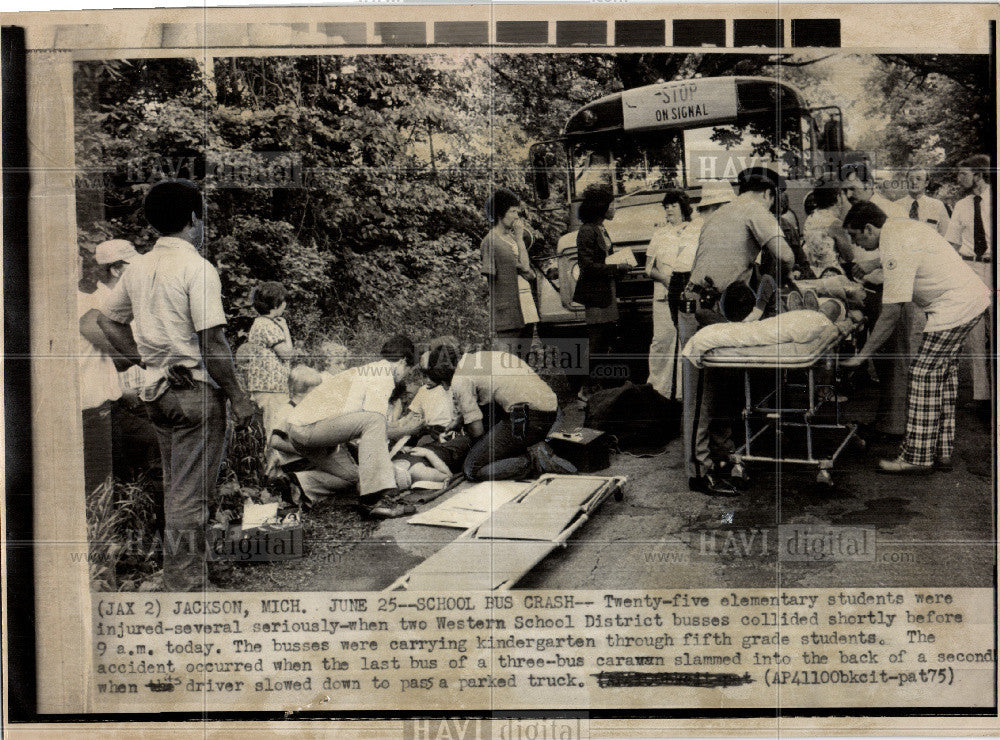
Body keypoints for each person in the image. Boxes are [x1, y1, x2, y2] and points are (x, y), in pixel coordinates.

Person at [98, 179, 256, 591]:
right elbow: (213, 340)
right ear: (192, 219)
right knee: (192, 496)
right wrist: (238, 397)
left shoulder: (140, 268)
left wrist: (144, 361)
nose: (203, 222)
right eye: (201, 215)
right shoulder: (196, 268)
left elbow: (107, 320)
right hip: (194, 394)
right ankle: (185, 588)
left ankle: (185, 576)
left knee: (178, 491)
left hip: (158, 392)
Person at [842, 201, 990, 473]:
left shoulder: (894, 243)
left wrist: (863, 356)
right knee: (942, 376)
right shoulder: (899, 226)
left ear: (869, 228)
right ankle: (941, 452)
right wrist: (874, 261)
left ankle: (917, 457)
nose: (857, 244)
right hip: (972, 300)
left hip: (953, 309)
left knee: (922, 376)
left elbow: (891, 312)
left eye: (855, 236)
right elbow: (911, 251)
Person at [678, 166, 795, 496]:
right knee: (701, 391)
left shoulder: (721, 212)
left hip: (702, 301)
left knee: (721, 383)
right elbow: (785, 256)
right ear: (769, 194)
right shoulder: (757, 210)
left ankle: (722, 454)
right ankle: (698, 472)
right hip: (705, 304)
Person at [284, 335, 416, 518]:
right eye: (408, 371)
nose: (405, 376)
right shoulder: (384, 374)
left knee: (354, 477)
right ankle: (373, 501)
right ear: (403, 362)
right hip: (307, 428)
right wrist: (408, 431)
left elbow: (360, 432)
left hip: (304, 432)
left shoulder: (369, 370)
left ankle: (295, 483)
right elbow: (376, 426)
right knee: (375, 420)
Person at [843, 164, 925, 441]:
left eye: (853, 187)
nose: (848, 193)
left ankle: (896, 427)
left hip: (892, 292)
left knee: (895, 359)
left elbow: (905, 253)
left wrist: (872, 267)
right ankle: (886, 422)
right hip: (870, 291)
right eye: (844, 189)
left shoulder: (892, 212)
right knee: (883, 361)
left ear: (870, 186)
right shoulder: (858, 213)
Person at [424, 345, 572, 481]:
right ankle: (526, 450)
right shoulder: (476, 358)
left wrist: (474, 448)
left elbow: (477, 431)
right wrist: (460, 421)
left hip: (529, 418)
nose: (444, 386)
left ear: (444, 377)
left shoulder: (459, 380)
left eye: (441, 382)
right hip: (549, 410)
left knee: (472, 469)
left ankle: (532, 461)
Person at [78, 240, 137, 495]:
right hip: (108, 404)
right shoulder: (99, 304)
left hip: (119, 401)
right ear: (115, 270)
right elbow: (122, 359)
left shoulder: (115, 302)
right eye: (131, 268)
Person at [572, 183, 630, 400]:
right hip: (596, 295)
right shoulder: (587, 231)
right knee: (596, 342)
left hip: (606, 293)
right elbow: (586, 266)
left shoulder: (600, 229)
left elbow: (603, 260)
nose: (614, 208)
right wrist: (616, 267)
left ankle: (596, 386)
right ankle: (586, 388)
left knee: (604, 341)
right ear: (601, 207)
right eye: (611, 204)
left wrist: (620, 267)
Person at [946, 154, 993, 413]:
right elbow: (951, 243)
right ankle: (982, 397)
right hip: (969, 268)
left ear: (979, 174)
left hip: (994, 267)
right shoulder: (962, 205)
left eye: (963, 174)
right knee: (974, 335)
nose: (958, 178)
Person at [645, 189, 701, 400]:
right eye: (666, 206)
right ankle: (658, 390)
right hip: (662, 295)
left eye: (673, 205)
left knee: (685, 342)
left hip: (687, 295)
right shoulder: (659, 233)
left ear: (683, 208)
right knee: (661, 341)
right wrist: (666, 279)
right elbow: (648, 268)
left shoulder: (694, 230)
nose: (669, 210)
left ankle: (682, 392)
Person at [480, 188, 537, 361]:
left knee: (523, 358)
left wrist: (519, 240)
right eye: (512, 211)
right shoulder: (490, 241)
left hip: (525, 304)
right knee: (508, 359)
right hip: (508, 309)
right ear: (499, 214)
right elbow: (488, 280)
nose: (516, 216)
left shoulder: (513, 238)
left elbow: (525, 267)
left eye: (517, 211)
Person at [242, 281, 295, 436]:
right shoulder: (268, 325)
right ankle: (275, 460)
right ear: (277, 303)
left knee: (272, 427)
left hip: (266, 386)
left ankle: (273, 459)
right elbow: (287, 353)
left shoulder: (260, 323)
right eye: (284, 301)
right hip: (271, 387)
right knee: (276, 429)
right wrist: (285, 328)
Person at [801, 181, 853, 277]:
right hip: (832, 275)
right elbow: (849, 257)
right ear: (838, 197)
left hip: (814, 274)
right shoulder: (835, 223)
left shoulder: (810, 218)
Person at [894, 166, 950, 237]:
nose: (914, 182)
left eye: (918, 179)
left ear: (926, 183)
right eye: (911, 179)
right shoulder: (896, 206)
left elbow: (947, 235)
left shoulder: (937, 206)